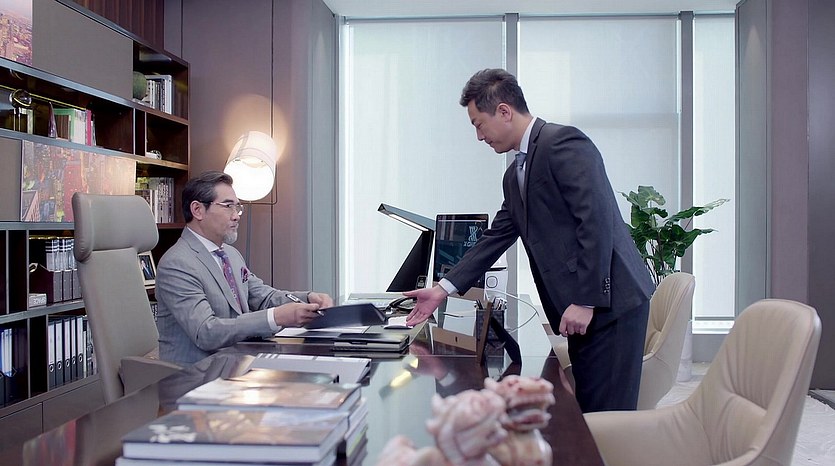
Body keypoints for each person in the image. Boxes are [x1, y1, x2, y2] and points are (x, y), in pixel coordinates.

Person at [404, 69, 655, 412]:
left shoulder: (563, 143)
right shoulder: (515, 174)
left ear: (504, 111)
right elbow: (494, 238)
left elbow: (596, 223)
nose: (479, 136)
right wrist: (442, 289)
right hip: (579, 310)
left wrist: (586, 300)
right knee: (586, 410)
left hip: (610, 305)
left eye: (479, 124)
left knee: (605, 415)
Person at [155, 171, 334, 365]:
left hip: (237, 362)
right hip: (197, 373)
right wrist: (276, 317)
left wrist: (307, 299)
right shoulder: (177, 263)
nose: (236, 216)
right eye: (228, 206)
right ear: (198, 210)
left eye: (237, 207)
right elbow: (206, 332)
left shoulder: (230, 254)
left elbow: (263, 297)